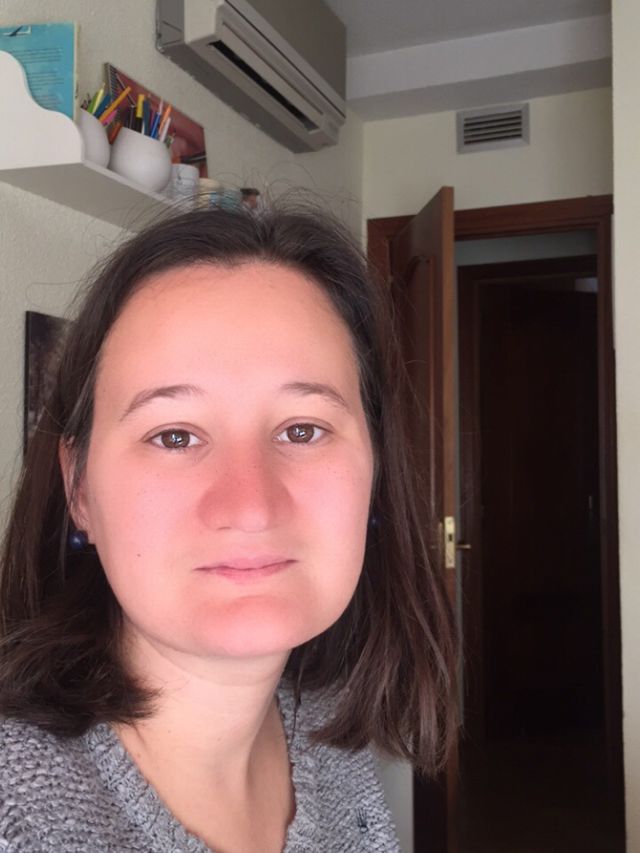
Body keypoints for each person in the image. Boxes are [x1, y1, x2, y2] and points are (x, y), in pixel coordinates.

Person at [0, 202, 457, 852]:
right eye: (175, 435)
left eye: (303, 429)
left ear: (376, 470)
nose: (251, 506)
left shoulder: (324, 730)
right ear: (79, 490)